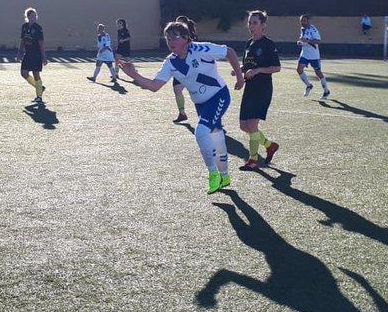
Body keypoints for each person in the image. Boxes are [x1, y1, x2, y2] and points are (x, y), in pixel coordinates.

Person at [119, 21, 244, 195]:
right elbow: (155, 86)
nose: (170, 41)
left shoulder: (201, 49)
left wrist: (239, 77)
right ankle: (224, 175)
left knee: (201, 132)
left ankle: (213, 174)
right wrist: (134, 75)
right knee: (215, 134)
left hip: (219, 96)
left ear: (186, 38)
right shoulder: (170, 63)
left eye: (175, 37)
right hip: (200, 104)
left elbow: (229, 52)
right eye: (167, 37)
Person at [238, 10, 282, 171]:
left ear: (263, 25)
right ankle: (270, 145)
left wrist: (257, 71)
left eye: (255, 23)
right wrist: (240, 73)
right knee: (244, 126)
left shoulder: (268, 44)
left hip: (262, 89)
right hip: (249, 89)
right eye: (249, 22)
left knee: (251, 124)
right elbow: (248, 66)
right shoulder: (248, 43)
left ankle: (253, 160)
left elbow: (277, 67)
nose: (251, 26)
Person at [171, 14, 198, 123]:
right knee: (177, 90)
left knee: (199, 93)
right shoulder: (173, 36)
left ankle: (209, 114)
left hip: (192, 68)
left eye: (180, 23)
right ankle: (182, 114)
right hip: (180, 68)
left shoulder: (192, 37)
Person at [296, 14, 330, 98]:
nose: (302, 22)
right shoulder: (302, 29)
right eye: (301, 21)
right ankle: (308, 85)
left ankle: (326, 91)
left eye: (304, 21)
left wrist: (307, 41)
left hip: (314, 56)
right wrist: (301, 42)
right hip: (304, 54)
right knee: (299, 69)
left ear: (308, 21)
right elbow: (303, 39)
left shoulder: (313, 29)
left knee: (318, 73)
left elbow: (318, 41)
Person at [19, 7, 46, 103]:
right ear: (28, 17)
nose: (34, 18)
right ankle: (39, 87)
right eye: (32, 16)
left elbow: (41, 43)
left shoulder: (38, 28)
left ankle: (39, 97)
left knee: (36, 74)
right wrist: (20, 52)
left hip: (36, 55)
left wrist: (44, 57)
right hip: (27, 54)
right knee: (23, 73)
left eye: (35, 16)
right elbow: (22, 40)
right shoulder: (24, 26)